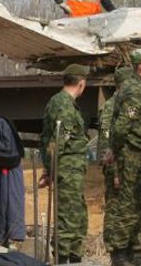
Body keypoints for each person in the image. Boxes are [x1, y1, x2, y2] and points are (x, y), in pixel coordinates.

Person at [108, 48, 141, 266]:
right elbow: (122, 126)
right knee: (129, 205)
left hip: (139, 152)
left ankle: (134, 251)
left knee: (140, 205)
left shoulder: (139, 88)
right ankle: (120, 253)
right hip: (131, 153)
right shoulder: (134, 90)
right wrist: (118, 151)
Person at [39, 63, 90, 264]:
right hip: (67, 168)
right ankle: (64, 257)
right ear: (81, 84)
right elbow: (58, 140)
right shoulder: (65, 105)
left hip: (69, 168)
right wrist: (51, 169)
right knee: (68, 214)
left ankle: (73, 254)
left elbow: (48, 139)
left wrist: (48, 167)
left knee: (75, 211)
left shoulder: (57, 101)